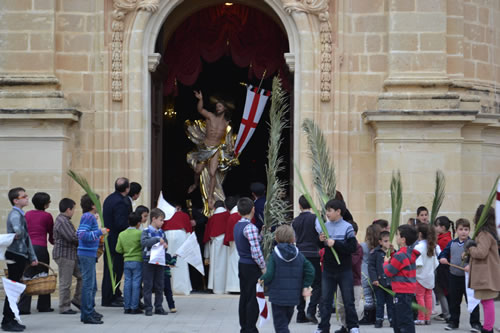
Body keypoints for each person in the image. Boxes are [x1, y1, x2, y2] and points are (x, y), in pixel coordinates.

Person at [187, 90, 237, 214]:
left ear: (225, 108)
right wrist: (200, 99)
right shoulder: (210, 116)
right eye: (217, 106)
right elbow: (200, 110)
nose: (217, 108)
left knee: (212, 173)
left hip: (216, 149)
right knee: (198, 170)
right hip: (205, 147)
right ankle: (194, 184)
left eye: (220, 106)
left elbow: (228, 139)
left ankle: (210, 197)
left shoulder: (227, 124)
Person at [259, 225, 315, 333]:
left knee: (280, 326)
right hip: (293, 297)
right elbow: (310, 270)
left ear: (276, 238)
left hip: (277, 297)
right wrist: (306, 285)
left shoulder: (275, 254)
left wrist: (262, 280)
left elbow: (269, 274)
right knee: (285, 323)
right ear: (293, 238)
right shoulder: (299, 255)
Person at [315, 199, 359, 333]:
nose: (327, 213)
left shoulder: (347, 227)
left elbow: (352, 247)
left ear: (338, 212)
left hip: (344, 270)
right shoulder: (325, 226)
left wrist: (336, 244)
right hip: (328, 269)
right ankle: (323, 327)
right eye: (326, 210)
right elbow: (322, 246)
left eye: (329, 210)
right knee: (325, 301)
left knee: (348, 300)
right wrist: (320, 241)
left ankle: (352, 327)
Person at [1, 188, 38, 332]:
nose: (27, 198)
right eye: (24, 196)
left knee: (15, 288)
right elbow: (19, 232)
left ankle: (10, 319)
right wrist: (17, 233)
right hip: (15, 254)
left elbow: (26, 238)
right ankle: (7, 320)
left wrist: (32, 257)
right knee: (13, 288)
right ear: (16, 200)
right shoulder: (16, 215)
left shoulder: (20, 214)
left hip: (20, 254)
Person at [438, 218, 481, 332]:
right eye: (461, 229)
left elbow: (477, 259)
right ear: (456, 230)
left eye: (466, 229)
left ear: (469, 231)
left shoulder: (472, 244)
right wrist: (442, 257)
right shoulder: (452, 243)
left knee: (471, 301)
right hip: (454, 276)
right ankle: (453, 322)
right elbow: (444, 253)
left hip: (468, 278)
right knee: (454, 301)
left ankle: (475, 323)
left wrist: (470, 266)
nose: (463, 232)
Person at [465, 205, 500, 333]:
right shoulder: (490, 233)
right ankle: (488, 327)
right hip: (486, 274)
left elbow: (481, 253)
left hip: (485, 275)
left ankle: (488, 328)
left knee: (487, 301)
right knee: (486, 301)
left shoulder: (484, 234)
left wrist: (470, 247)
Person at [234, 197, 266, 333]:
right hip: (252, 266)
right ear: (253, 209)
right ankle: (251, 327)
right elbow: (256, 251)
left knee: (245, 296)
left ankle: (244, 326)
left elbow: (253, 241)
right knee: (253, 297)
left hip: (242, 263)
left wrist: (262, 234)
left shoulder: (238, 225)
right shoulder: (250, 227)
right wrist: (263, 266)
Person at [21, 192, 54, 314]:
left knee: (27, 276)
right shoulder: (47, 216)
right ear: (45, 205)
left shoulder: (27, 214)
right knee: (43, 275)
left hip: (28, 247)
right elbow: (51, 235)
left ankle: (24, 307)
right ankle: (44, 305)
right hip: (40, 248)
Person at [77, 194, 108, 324]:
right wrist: (99, 232)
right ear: (92, 205)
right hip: (86, 254)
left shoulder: (89, 217)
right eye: (97, 202)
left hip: (89, 253)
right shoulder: (88, 216)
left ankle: (89, 310)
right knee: (88, 285)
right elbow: (82, 234)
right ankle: (87, 314)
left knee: (92, 285)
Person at [383, 224, 420, 333]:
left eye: (398, 235)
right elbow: (400, 265)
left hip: (401, 291)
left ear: (403, 239)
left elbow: (389, 271)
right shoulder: (407, 253)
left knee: (402, 321)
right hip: (407, 291)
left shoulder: (400, 255)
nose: (396, 237)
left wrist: (385, 262)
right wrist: (393, 252)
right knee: (403, 318)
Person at [102, 177, 131, 307]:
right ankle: (110, 298)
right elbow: (120, 223)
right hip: (116, 240)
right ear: (127, 188)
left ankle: (113, 295)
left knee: (111, 269)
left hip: (109, 238)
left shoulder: (109, 198)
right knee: (114, 269)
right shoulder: (120, 202)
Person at [292, 195, 320, 324]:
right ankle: (311, 309)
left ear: (300, 206)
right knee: (317, 284)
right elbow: (321, 233)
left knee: (300, 283)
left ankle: (300, 313)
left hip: (299, 254)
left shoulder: (295, 221)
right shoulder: (315, 219)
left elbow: (293, 239)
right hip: (313, 254)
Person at [53, 198, 81, 315]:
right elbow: (72, 237)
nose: (74, 211)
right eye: (73, 209)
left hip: (70, 254)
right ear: (68, 209)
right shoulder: (63, 221)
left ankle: (78, 299)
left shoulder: (65, 220)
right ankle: (64, 306)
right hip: (65, 255)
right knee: (66, 282)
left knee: (82, 275)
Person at [336, 221, 363, 333]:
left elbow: (352, 262)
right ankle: (344, 325)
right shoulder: (340, 244)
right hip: (341, 280)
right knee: (340, 306)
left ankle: (353, 326)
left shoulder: (357, 247)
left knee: (353, 306)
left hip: (354, 281)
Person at [141, 208, 168, 316]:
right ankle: (148, 307)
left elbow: (165, 244)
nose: (162, 222)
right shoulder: (146, 231)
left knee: (159, 285)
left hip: (159, 261)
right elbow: (144, 243)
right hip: (148, 261)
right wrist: (157, 240)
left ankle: (159, 306)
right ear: (154, 219)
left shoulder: (162, 232)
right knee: (148, 285)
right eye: (161, 220)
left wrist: (165, 245)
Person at [116, 212, 143, 314]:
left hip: (126, 261)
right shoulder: (139, 233)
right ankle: (134, 307)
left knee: (127, 283)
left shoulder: (122, 234)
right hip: (137, 260)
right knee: (136, 283)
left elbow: (118, 249)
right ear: (138, 223)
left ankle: (126, 307)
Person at [162, 203, 193, 295]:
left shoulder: (165, 214)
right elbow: (189, 231)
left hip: (167, 235)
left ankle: (168, 287)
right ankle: (182, 288)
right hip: (180, 235)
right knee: (181, 261)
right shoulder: (184, 215)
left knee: (167, 261)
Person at [414, 222, 440, 325]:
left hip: (420, 277)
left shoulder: (418, 247)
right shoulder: (432, 246)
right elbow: (435, 263)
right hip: (430, 276)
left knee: (419, 297)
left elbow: (417, 264)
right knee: (428, 296)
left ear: (420, 234)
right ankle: (427, 318)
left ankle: (421, 318)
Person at [368, 230, 393, 328]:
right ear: (380, 242)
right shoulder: (375, 253)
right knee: (380, 302)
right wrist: (374, 279)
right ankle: (379, 320)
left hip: (390, 282)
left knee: (391, 303)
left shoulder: (393, 252)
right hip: (379, 282)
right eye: (385, 241)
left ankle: (392, 319)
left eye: (389, 241)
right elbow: (371, 267)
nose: (388, 243)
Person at [203, 200, 229, 294]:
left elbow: (207, 235)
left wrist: (206, 254)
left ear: (214, 208)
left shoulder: (212, 218)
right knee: (226, 265)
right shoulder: (228, 215)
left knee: (216, 266)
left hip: (215, 243)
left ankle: (217, 288)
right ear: (224, 207)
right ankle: (226, 288)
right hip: (227, 243)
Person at [359, 223, 381, 326]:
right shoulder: (381, 247)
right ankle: (377, 316)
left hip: (364, 273)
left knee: (368, 295)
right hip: (377, 274)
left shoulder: (363, 246)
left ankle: (368, 316)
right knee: (377, 296)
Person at [434, 216, 455, 322]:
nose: (435, 227)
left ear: (442, 227)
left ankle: (447, 313)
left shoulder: (444, 240)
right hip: (444, 269)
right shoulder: (444, 238)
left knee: (443, 291)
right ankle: (447, 312)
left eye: (436, 225)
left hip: (444, 269)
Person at [223, 195, 240, 293]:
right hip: (245, 244)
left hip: (235, 244)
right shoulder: (242, 213)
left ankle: (235, 287)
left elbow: (229, 234)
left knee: (234, 264)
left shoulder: (232, 217)